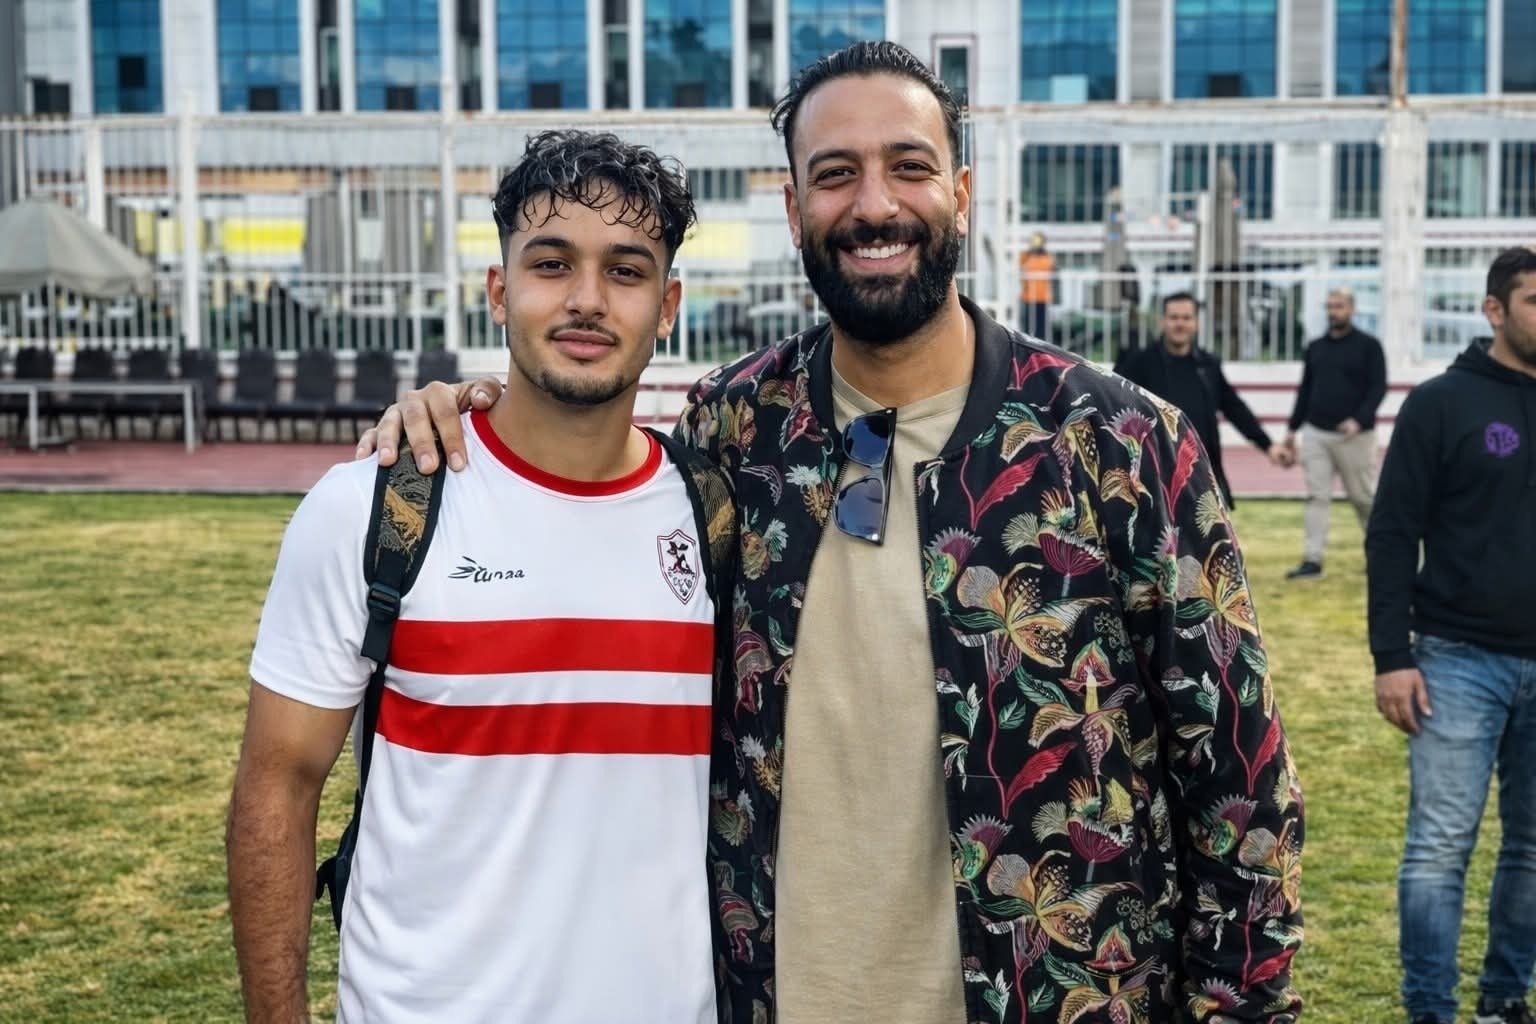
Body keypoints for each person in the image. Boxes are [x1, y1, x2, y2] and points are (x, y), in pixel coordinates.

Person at [363, 42, 1304, 1023]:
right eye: (835, 174)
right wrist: (462, 413)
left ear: (961, 194)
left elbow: (1241, 786)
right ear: (794, 208)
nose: (874, 205)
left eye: (909, 166)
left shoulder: (1117, 442)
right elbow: (582, 486)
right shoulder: (733, 432)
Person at [226, 130, 730, 1023]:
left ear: (668, 305)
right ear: (499, 291)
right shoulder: (373, 508)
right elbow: (277, 787)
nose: (586, 299)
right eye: (551, 264)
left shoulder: (714, 516)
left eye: (625, 271)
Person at [1365, 245, 1536, 1024]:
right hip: (1457, 661)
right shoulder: (1441, 404)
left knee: (1531, 850)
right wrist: (1391, 656)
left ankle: (1504, 999)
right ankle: (1429, 1010)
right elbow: (1392, 534)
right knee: (1439, 849)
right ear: (1494, 310)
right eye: (1533, 301)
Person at [1115, 291, 1292, 506]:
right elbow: (1113, 405)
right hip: (1154, 473)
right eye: (1174, 317)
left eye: (1186, 318)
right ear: (1163, 321)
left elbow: (1235, 408)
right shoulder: (1139, 364)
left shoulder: (1208, 366)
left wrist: (1268, 445)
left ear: (1196, 323)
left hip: (1201, 470)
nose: (1180, 324)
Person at [1278, 287, 1387, 580]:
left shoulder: (1369, 346)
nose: (1333, 312)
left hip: (1356, 437)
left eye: (1339, 306)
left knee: (1363, 498)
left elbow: (1378, 388)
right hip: (1316, 434)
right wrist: (1292, 430)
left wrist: (1358, 420)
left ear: (1351, 308)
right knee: (1317, 497)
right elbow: (1305, 390)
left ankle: (1381, 556)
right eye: (1329, 306)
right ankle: (1312, 561)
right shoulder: (1315, 347)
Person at [1019, 230, 1055, 340]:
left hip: (1042, 298)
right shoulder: (1026, 256)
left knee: (1041, 329)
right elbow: (1021, 267)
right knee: (1027, 328)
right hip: (1028, 297)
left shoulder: (1047, 257)